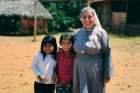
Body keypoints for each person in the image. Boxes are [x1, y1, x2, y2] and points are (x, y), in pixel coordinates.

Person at [73, 7, 113, 93]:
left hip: (96, 68)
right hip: (79, 68)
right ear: (81, 19)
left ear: (95, 17)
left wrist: (107, 73)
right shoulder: (76, 33)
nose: (87, 19)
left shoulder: (101, 33)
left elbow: (107, 53)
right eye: (84, 17)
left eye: (89, 16)